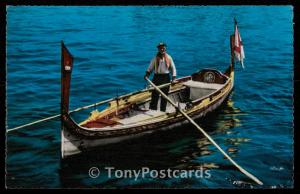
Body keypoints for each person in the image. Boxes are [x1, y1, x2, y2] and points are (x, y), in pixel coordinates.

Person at [144, 42, 177, 112]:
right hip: (157, 78)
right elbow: (150, 68)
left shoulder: (169, 57)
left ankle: (163, 111)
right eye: (160, 48)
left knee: (164, 96)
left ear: (165, 48)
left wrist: (173, 78)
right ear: (158, 49)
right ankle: (153, 110)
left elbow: (173, 68)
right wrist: (147, 74)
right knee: (154, 95)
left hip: (166, 78)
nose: (162, 49)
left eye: (163, 48)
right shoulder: (155, 58)